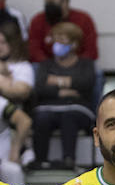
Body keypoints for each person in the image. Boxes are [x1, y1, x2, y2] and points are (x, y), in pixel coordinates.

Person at [29, 22, 95, 170]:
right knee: (41, 118)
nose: (57, 44)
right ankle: (40, 160)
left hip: (78, 109)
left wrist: (54, 81)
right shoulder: (46, 65)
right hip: (48, 108)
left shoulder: (86, 64)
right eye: (55, 40)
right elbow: (40, 88)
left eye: (62, 40)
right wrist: (65, 89)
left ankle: (68, 160)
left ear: (74, 44)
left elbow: (86, 84)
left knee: (69, 116)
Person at [27, 0, 99, 64]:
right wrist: (49, 65)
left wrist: (73, 65)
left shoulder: (84, 19)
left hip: (78, 65)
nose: (48, 4)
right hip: (47, 65)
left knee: (95, 71)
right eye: (46, 0)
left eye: (52, 0)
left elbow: (91, 51)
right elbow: (34, 50)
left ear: (65, 1)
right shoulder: (38, 20)